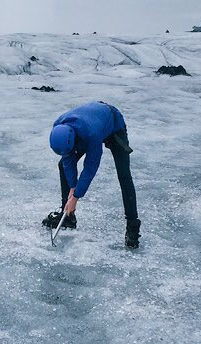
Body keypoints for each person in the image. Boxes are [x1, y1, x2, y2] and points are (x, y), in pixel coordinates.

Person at [43, 101, 141, 248]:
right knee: (62, 166)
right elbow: (67, 159)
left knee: (124, 176)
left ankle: (132, 227)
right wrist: (72, 186)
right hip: (87, 125)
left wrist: (76, 196)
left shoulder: (91, 133)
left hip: (113, 124)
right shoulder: (60, 125)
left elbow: (90, 167)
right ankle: (68, 216)